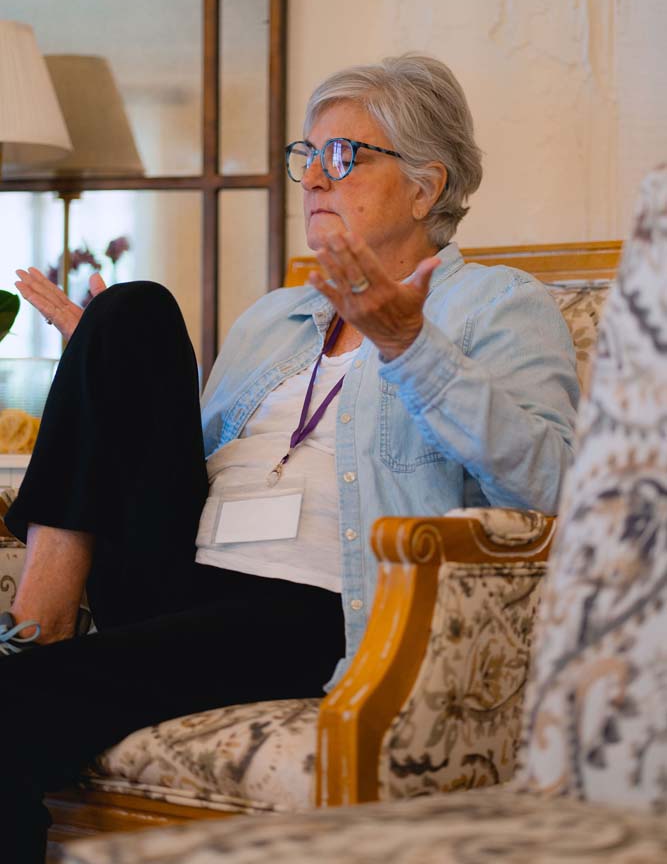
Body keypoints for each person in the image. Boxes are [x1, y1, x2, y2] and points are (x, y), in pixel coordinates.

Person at [0, 54, 579, 863]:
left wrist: (409, 346)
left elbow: (554, 486)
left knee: (16, 706)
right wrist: (101, 374)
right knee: (129, 312)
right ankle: (42, 618)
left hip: (318, 602)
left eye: (342, 156)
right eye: (306, 155)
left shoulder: (499, 304)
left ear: (425, 187)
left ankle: (32, 650)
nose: (311, 178)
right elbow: (184, 469)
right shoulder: (273, 317)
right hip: (183, 576)